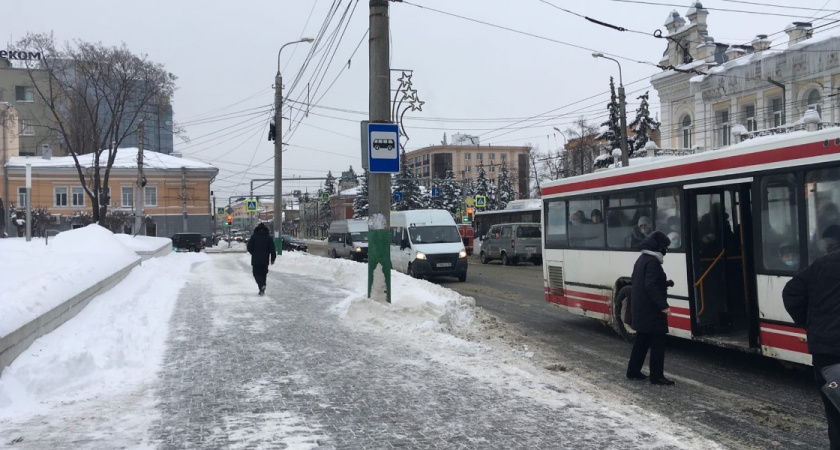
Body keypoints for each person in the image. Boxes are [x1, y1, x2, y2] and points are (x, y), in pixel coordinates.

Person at [783, 225, 840, 448]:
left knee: (836, 418)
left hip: (826, 356)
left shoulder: (823, 263)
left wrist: (812, 325)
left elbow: (791, 292)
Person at [626, 230, 676, 386]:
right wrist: (664, 306)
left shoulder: (642, 259)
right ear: (659, 247)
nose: (665, 251)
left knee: (642, 340)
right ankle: (657, 376)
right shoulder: (653, 262)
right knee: (658, 342)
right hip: (652, 310)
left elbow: (642, 282)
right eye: (664, 248)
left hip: (642, 307)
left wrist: (665, 283)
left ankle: (633, 371)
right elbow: (650, 285)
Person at [246, 222, 277, 296]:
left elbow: (249, 247)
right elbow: (272, 249)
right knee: (263, 274)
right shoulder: (268, 238)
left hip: (256, 259)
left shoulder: (254, 237)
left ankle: (261, 285)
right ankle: (262, 288)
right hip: (265, 259)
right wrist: (272, 259)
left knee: (256, 273)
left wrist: (253, 253)